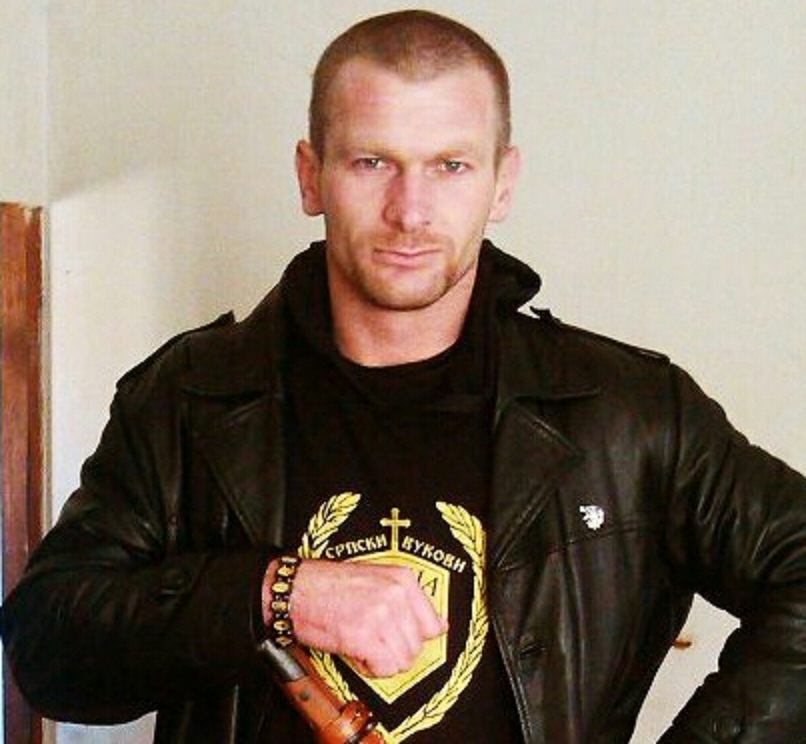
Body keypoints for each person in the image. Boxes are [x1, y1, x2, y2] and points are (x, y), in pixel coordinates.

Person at [2, 9, 805, 744]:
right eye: (372, 161)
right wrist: (278, 594)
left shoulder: (630, 412)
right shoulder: (191, 398)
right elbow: (47, 649)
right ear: (311, 176)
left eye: (451, 165)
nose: (410, 210)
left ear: (502, 182)